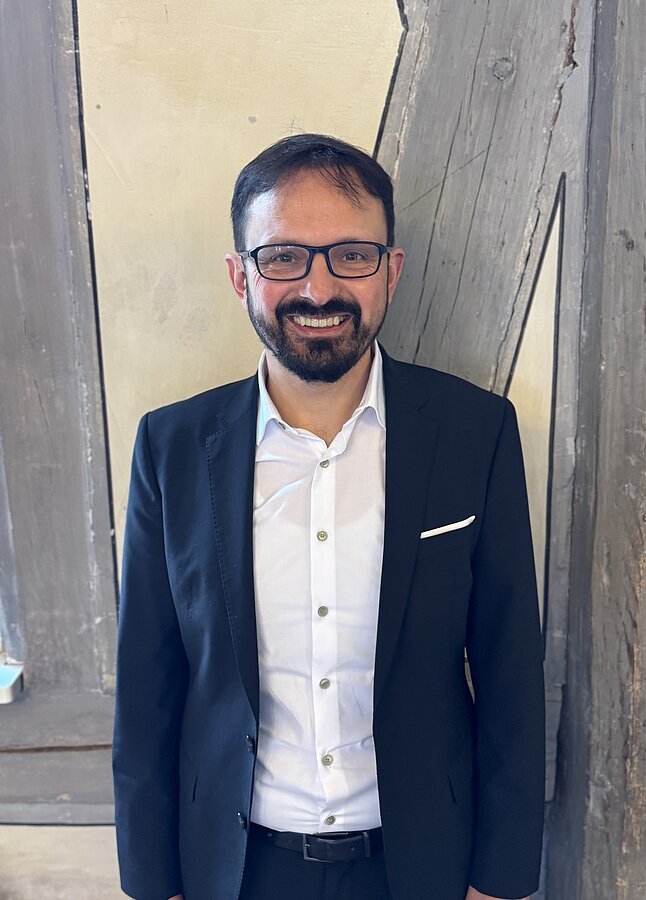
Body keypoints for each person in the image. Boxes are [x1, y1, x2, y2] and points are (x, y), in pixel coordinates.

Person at [113, 133, 546, 900]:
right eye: (283, 257)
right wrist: (154, 886)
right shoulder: (171, 446)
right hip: (232, 869)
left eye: (350, 255)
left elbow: (510, 671)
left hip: (424, 867)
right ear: (239, 275)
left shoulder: (473, 431)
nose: (318, 289)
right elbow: (147, 687)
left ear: (390, 270)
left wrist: (499, 883)